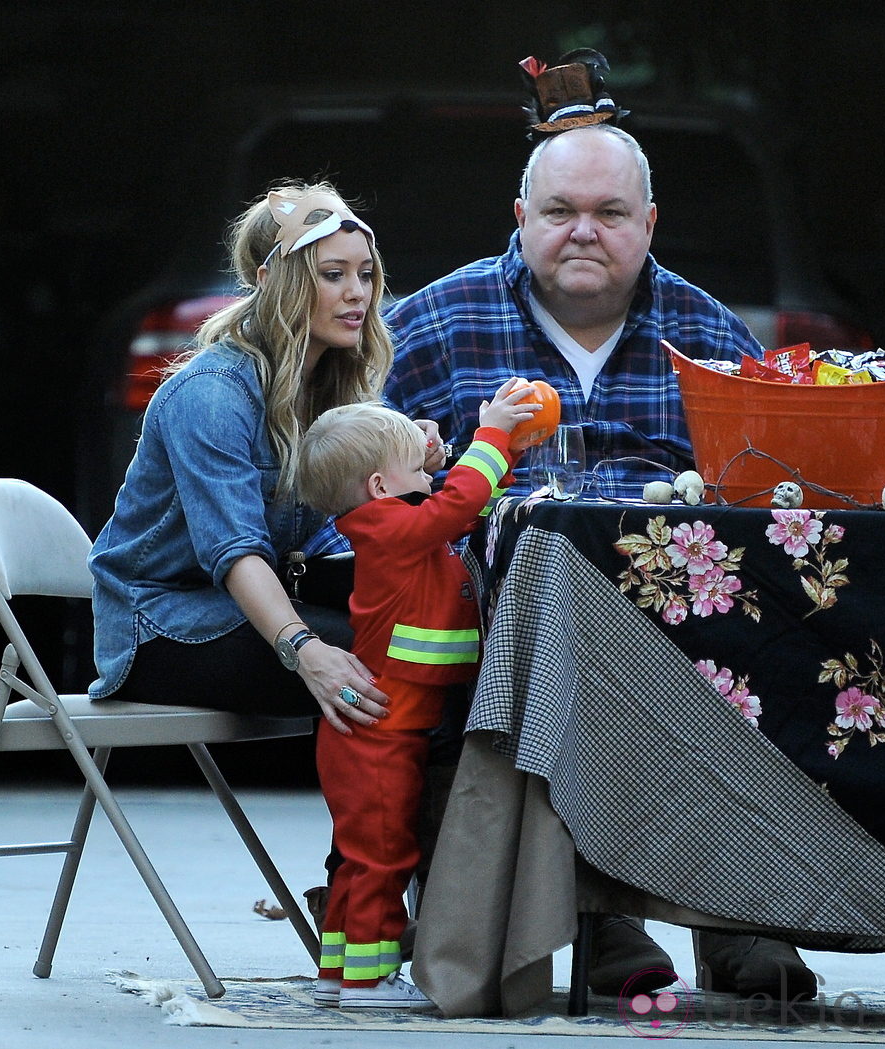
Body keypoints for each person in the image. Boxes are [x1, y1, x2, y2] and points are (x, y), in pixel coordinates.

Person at [382, 52, 817, 1001]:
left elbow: (776, 510)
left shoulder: (710, 339)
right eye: (560, 212)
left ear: (649, 224)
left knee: (784, 644)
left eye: (610, 214)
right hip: (494, 643)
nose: (584, 231)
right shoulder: (433, 324)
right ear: (521, 218)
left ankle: (743, 917)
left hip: (681, 646)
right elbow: (349, 500)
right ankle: (593, 917)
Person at [88, 180, 447, 738]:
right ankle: (381, 825)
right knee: (391, 646)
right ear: (272, 281)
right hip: (162, 625)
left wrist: (410, 457)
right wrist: (308, 652)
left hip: (261, 595)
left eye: (366, 273)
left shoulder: (332, 383)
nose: (358, 293)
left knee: (437, 615)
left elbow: (371, 511)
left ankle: (436, 823)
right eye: (333, 275)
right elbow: (235, 553)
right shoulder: (211, 394)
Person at [295, 384, 539, 1009]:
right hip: (380, 734)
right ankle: (369, 980)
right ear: (380, 488)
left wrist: (433, 454)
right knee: (384, 856)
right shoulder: (390, 526)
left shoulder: (388, 520)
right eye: (414, 467)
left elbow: (453, 498)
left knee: (360, 857)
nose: (432, 471)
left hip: (382, 729)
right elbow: (455, 507)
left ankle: (337, 974)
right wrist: (493, 435)